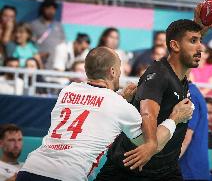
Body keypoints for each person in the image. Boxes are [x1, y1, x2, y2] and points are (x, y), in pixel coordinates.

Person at [16, 47, 193, 181]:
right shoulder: (119, 106)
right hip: (67, 175)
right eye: (119, 68)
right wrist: (174, 118)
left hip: (30, 168)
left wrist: (121, 97)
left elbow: (93, 106)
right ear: (113, 72)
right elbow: (151, 144)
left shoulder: (67, 91)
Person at [95, 16, 212, 180]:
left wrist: (200, 26)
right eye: (193, 41)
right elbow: (147, 111)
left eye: (200, 41)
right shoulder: (158, 74)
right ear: (175, 45)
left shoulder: (180, 74)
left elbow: (186, 49)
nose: (201, 47)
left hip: (165, 171)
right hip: (130, 167)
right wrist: (150, 143)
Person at [179, 82, 210, 181]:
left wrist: (165, 166)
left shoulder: (190, 95)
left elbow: (186, 138)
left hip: (189, 171)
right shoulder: (191, 93)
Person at [30, 0, 65, 69]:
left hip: (55, 63)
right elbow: (31, 44)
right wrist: (38, 54)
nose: (51, 11)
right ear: (43, 9)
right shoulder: (34, 25)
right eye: (48, 8)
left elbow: (63, 42)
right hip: (40, 62)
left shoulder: (58, 25)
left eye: (53, 9)